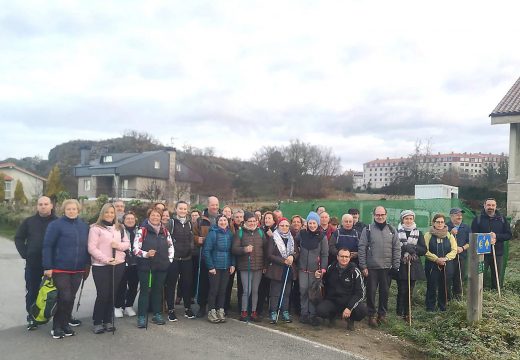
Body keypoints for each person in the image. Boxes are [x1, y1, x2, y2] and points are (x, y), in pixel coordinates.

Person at [42, 199, 90, 339]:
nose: (71, 211)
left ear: (78, 210)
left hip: (79, 269)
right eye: (68, 209)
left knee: (71, 298)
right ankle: (56, 326)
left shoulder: (84, 226)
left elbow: (87, 247)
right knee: (64, 297)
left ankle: (65, 324)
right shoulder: (55, 225)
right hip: (60, 268)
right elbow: (47, 246)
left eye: (74, 209)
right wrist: (48, 266)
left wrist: (87, 265)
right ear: (64, 210)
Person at [15, 196, 58, 331]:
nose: (43, 206)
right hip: (33, 263)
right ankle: (32, 317)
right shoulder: (29, 222)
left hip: (53, 263)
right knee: (32, 290)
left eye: (46, 204)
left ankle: (58, 316)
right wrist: (25, 253)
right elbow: (19, 238)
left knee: (56, 291)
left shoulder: (58, 222)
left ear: (52, 206)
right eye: (40, 204)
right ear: (37, 206)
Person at [88, 203, 129, 334]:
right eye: (107, 212)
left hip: (118, 264)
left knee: (112, 293)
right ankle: (97, 321)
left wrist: (117, 245)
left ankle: (108, 319)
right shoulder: (95, 228)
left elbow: (127, 244)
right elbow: (91, 248)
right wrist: (106, 259)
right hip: (101, 266)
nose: (109, 215)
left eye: (112, 212)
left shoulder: (120, 227)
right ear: (102, 213)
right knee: (103, 294)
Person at [358, 206, 400, 327]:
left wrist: (395, 266)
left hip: (387, 268)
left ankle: (382, 315)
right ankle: (371, 315)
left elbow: (397, 248)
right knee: (371, 293)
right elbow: (362, 248)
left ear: (386, 215)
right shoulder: (368, 229)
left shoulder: (392, 230)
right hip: (371, 268)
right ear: (374, 215)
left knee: (385, 292)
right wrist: (363, 266)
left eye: (382, 214)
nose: (380, 217)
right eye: (377, 215)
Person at [133, 208, 174, 328]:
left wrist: (169, 261)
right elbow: (135, 249)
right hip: (146, 267)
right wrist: (146, 254)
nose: (155, 217)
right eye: (153, 215)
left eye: (158, 215)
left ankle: (157, 314)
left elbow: (171, 247)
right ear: (149, 216)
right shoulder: (142, 231)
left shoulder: (165, 231)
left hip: (161, 266)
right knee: (145, 291)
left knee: (157, 291)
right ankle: (141, 316)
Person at [316, 248, 367, 331]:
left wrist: (349, 308)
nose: (344, 259)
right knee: (320, 310)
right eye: (342, 256)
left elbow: (360, 293)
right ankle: (332, 317)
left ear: (350, 258)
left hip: (348, 301)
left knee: (362, 310)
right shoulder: (330, 268)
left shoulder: (355, 271)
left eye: (346, 257)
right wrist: (318, 276)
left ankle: (351, 320)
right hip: (333, 300)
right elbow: (324, 282)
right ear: (337, 257)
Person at [232, 212, 267, 321]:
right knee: (246, 290)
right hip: (245, 266)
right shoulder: (240, 233)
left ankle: (253, 312)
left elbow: (266, 250)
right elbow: (234, 249)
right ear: (245, 222)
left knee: (255, 290)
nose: (252, 223)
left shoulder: (261, 232)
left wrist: (265, 265)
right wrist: (244, 249)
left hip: (258, 266)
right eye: (249, 221)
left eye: (254, 221)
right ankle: (244, 311)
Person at [471, 198, 512, 290]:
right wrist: (485, 238)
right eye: (489, 205)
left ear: (496, 206)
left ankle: (495, 293)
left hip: (497, 253)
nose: (491, 207)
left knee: (496, 274)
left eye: (493, 205)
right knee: (480, 274)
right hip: (482, 254)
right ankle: (480, 294)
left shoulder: (502, 219)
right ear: (484, 206)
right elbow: (473, 235)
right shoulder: (477, 219)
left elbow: (508, 235)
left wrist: (496, 237)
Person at [165, 201, 195, 321]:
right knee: (171, 285)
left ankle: (187, 308)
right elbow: (166, 239)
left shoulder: (190, 224)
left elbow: (191, 238)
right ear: (176, 209)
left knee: (187, 284)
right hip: (174, 259)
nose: (183, 211)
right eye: (180, 208)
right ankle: (171, 310)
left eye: (184, 209)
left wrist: (191, 248)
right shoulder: (170, 223)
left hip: (187, 259)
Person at [296, 212, 328, 326]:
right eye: (310, 223)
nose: (312, 225)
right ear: (307, 223)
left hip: (316, 271)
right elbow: (295, 245)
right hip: (302, 269)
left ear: (317, 223)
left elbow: (325, 254)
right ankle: (304, 314)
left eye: (314, 223)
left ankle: (312, 315)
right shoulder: (302, 233)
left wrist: (323, 269)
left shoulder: (322, 237)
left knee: (313, 293)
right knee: (303, 291)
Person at [203, 215, 235, 323]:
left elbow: (232, 251)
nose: (223, 222)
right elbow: (206, 250)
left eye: (225, 220)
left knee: (223, 290)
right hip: (215, 267)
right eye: (220, 220)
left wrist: (232, 264)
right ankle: (211, 311)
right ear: (217, 222)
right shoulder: (213, 233)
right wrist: (210, 266)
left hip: (226, 267)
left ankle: (220, 311)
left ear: (228, 222)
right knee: (214, 290)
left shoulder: (230, 234)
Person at [192, 196, 221, 317]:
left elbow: (230, 234)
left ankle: (213, 307)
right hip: (204, 257)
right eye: (212, 205)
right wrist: (197, 239)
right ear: (208, 205)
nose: (215, 207)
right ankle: (202, 306)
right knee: (203, 282)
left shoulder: (222, 218)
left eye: (216, 205)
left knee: (215, 284)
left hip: (218, 257)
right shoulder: (200, 220)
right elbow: (192, 236)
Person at [266, 218, 299, 324]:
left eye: (286, 226)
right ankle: (273, 312)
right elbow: (270, 255)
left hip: (289, 269)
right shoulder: (273, 238)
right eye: (282, 225)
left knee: (286, 293)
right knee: (275, 292)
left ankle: (284, 311)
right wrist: (283, 260)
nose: (284, 228)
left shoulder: (292, 238)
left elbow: (296, 252)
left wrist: (293, 257)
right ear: (278, 226)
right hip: (277, 269)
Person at [395, 210, 426, 321]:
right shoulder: (397, 232)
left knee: (410, 290)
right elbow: (395, 247)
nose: (408, 221)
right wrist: (405, 248)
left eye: (410, 218)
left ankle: (408, 313)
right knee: (402, 289)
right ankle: (399, 313)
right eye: (406, 218)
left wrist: (413, 248)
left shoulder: (418, 233)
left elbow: (424, 250)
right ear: (402, 219)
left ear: (413, 219)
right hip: (401, 264)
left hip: (413, 265)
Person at [424, 214, 457, 312]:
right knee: (432, 285)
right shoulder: (428, 235)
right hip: (432, 265)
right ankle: (430, 308)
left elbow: (454, 250)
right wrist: (436, 259)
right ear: (433, 223)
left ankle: (442, 307)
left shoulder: (449, 235)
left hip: (446, 264)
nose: (440, 224)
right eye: (438, 222)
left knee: (445, 285)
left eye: (442, 222)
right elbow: (425, 250)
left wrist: (445, 258)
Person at [114, 211, 139, 318]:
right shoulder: (119, 231)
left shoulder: (139, 230)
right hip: (123, 262)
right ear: (123, 221)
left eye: (132, 219)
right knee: (121, 285)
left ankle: (129, 305)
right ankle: (118, 306)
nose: (130, 220)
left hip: (136, 263)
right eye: (128, 219)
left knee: (133, 285)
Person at [446, 208, 470, 299]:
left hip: (461, 256)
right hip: (449, 257)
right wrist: (450, 233)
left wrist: (463, 248)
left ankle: (458, 297)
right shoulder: (445, 226)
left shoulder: (466, 227)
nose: (460, 216)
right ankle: (447, 297)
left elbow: (470, 241)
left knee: (459, 277)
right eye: (457, 214)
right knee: (448, 277)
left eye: (461, 214)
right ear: (451, 216)